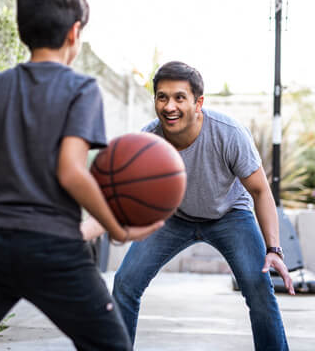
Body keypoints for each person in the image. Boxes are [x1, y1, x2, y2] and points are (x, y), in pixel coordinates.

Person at [0, 0, 162, 351]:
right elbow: (70, 171)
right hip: (53, 250)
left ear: (23, 30)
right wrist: (115, 227)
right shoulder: (81, 88)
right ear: (74, 33)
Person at [83, 61, 295, 350]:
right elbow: (122, 195)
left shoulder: (228, 133)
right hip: (174, 215)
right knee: (125, 283)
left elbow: (260, 191)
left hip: (229, 214)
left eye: (179, 97)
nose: (169, 106)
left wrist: (273, 250)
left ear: (198, 103)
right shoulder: (148, 141)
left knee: (259, 289)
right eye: (162, 97)